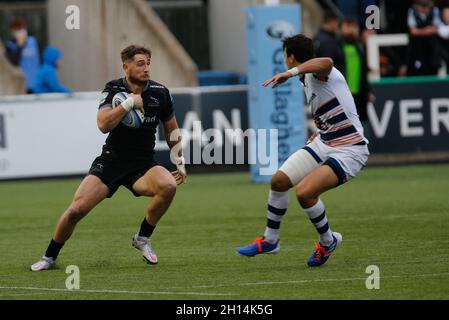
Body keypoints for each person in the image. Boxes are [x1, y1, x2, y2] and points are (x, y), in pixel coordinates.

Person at [31, 45, 186, 271]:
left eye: (148, 63)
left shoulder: (160, 93)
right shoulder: (113, 89)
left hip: (142, 165)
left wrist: (180, 161)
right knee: (76, 211)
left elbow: (172, 131)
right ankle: (49, 257)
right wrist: (128, 104)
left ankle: (142, 237)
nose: (146, 68)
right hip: (111, 162)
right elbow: (103, 125)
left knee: (169, 185)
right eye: (140, 63)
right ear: (126, 66)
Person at [236, 35, 369, 267]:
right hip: (325, 142)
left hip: (349, 149)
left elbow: (326, 61)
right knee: (278, 181)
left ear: (291, 57)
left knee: (305, 192)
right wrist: (319, 130)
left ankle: (328, 242)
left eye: (286, 57)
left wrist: (290, 73)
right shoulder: (306, 77)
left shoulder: (320, 71)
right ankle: (270, 240)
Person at [340, 17, 371, 123]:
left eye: (354, 27)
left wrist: (368, 91)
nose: (351, 31)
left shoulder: (360, 48)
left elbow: (363, 72)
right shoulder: (337, 47)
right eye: (348, 26)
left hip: (358, 95)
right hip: (342, 95)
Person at [400, 0, 442, 76]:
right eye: (421, 6)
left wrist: (423, 31)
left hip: (431, 47)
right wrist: (426, 31)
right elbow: (413, 31)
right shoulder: (412, 11)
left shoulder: (434, 10)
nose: (424, 9)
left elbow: (436, 28)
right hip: (417, 46)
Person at [4, 16, 40, 93]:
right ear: (12, 31)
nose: (20, 32)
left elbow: (40, 60)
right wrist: (19, 47)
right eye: (17, 30)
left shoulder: (33, 41)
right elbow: (14, 63)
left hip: (35, 83)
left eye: (21, 28)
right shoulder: (10, 45)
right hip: (21, 85)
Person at [313, 11, 345, 75]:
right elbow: (329, 65)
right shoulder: (329, 42)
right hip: (330, 80)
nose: (337, 26)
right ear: (332, 22)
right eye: (337, 23)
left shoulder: (316, 38)